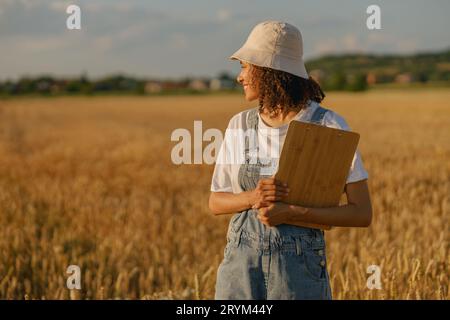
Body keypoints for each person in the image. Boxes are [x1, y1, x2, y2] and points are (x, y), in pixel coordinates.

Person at [209, 20, 372, 300]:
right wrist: (253, 197)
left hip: (298, 276)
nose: (240, 76)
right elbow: (215, 202)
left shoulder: (329, 126)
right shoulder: (239, 125)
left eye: (246, 66)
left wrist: (294, 213)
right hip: (239, 271)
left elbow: (361, 213)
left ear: (270, 72)